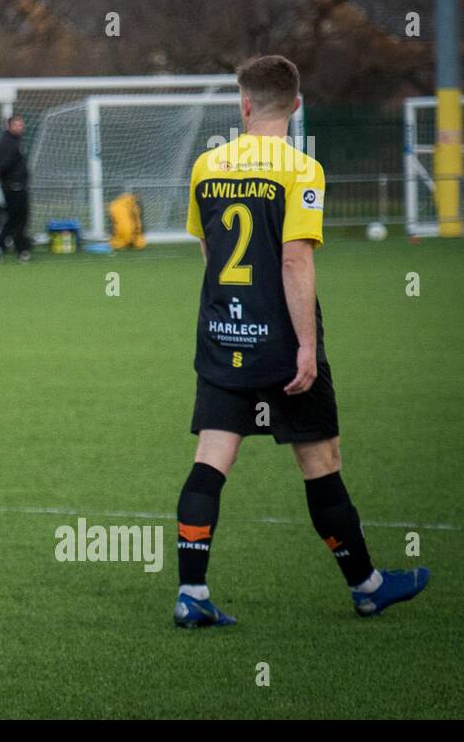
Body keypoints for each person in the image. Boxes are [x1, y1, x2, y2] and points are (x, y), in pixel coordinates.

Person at [175, 54, 428, 628]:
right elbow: (294, 261)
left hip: (222, 336)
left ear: (243, 105)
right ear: (296, 105)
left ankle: (191, 592)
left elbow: (210, 252)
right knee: (321, 462)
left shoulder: (206, 166)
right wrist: (306, 347)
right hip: (282, 343)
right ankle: (366, 585)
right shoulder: (300, 169)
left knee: (211, 459)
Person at [0, 115, 31, 262]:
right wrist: (6, 180)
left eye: (21, 124)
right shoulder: (8, 142)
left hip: (18, 186)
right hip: (14, 187)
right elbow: (1, 165)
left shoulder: (15, 141)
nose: (20, 127)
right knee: (19, 219)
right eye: (16, 125)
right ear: (9, 126)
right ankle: (21, 250)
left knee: (14, 219)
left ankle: (0, 247)